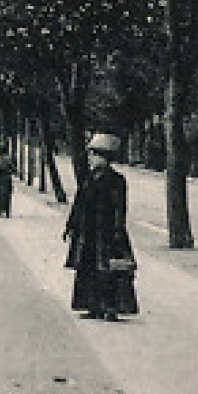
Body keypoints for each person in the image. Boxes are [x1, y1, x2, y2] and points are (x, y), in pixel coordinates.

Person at [63, 133, 138, 321]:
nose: (91, 158)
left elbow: (119, 209)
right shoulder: (88, 178)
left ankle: (111, 307)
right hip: (88, 232)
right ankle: (93, 306)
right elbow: (78, 204)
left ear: (105, 157)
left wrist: (118, 231)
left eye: (94, 155)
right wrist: (70, 226)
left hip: (107, 232)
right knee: (88, 269)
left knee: (109, 270)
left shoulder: (116, 180)